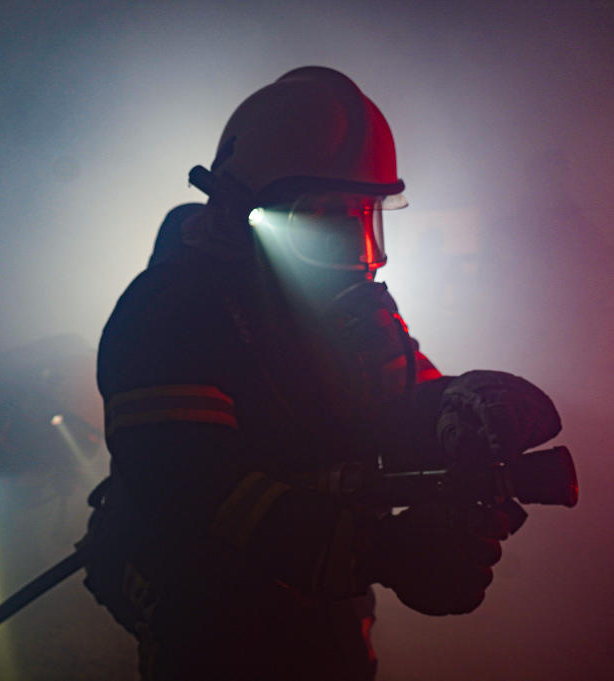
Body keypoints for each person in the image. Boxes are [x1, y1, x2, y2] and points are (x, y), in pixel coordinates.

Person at [86, 67, 562, 680]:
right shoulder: (166, 310)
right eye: (328, 219)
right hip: (203, 595)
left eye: (366, 217)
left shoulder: (341, 304)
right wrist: (381, 552)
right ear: (239, 212)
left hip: (321, 587)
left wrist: (462, 404)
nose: (358, 251)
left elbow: (396, 399)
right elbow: (192, 484)